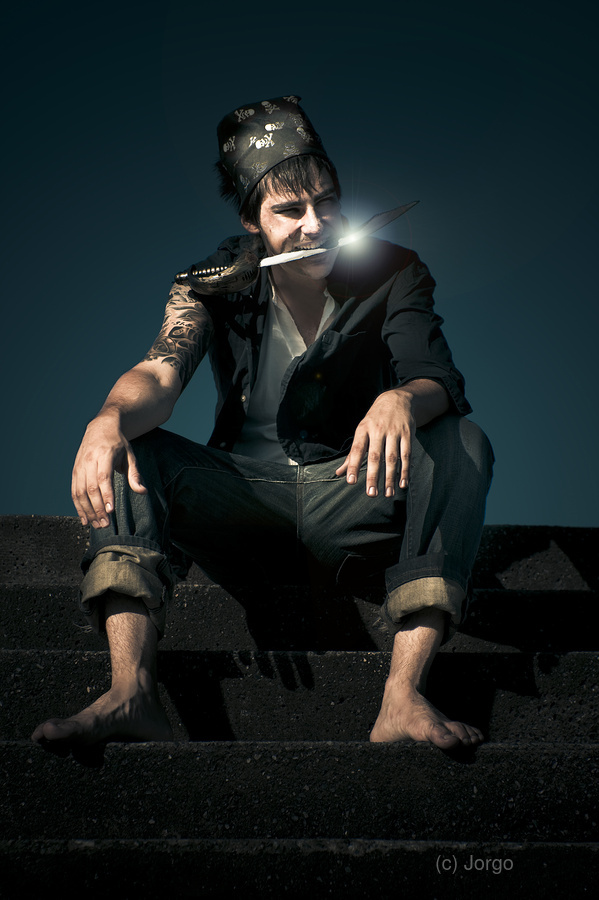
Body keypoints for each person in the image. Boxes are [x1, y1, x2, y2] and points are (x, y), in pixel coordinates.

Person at [32, 95, 493, 751]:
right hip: (240, 494)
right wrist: (108, 417)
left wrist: (401, 399)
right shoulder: (213, 282)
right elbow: (159, 374)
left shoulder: (394, 271)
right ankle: (131, 690)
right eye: (290, 210)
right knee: (129, 444)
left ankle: (403, 694)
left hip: (349, 490)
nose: (316, 225)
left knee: (461, 439)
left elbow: (434, 375)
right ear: (252, 219)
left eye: (327, 203)